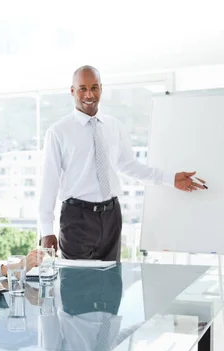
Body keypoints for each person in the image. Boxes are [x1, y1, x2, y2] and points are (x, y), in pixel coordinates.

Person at [39, 65, 206, 261]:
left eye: (94, 87)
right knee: (78, 285)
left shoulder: (114, 126)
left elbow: (130, 165)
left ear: (101, 88)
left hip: (111, 216)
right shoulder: (58, 132)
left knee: (111, 283)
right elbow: (49, 183)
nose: (89, 94)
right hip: (77, 219)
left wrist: (171, 179)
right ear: (72, 91)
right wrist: (46, 230)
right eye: (82, 88)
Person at [39, 266, 139, 351]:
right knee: (110, 249)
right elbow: (130, 337)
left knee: (76, 249)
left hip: (77, 293)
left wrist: (45, 292)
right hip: (111, 294)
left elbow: (49, 325)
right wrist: (157, 320)